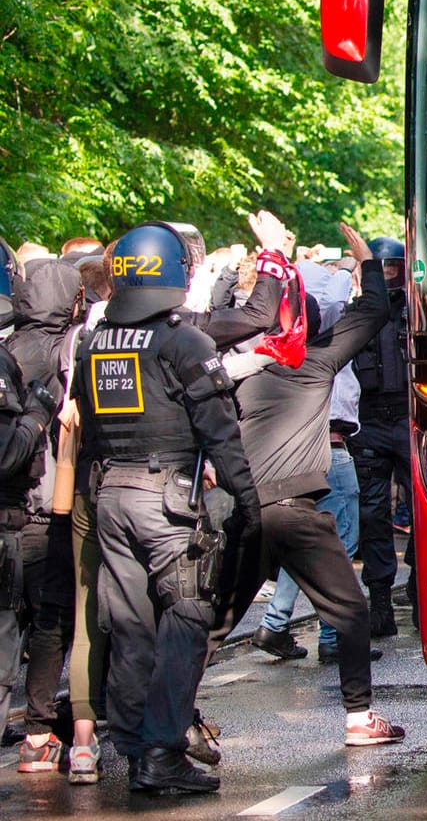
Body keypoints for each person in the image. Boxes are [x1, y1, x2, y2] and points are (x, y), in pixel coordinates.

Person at [83, 222, 263, 793]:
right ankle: (162, 752)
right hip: (165, 502)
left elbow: (86, 426)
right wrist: (249, 501)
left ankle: (135, 748)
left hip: (110, 494)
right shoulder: (183, 341)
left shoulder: (95, 342)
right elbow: (221, 430)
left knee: (130, 628)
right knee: (187, 618)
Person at [224, 224, 405, 748]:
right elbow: (372, 313)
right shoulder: (312, 364)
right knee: (349, 612)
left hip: (246, 508)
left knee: (212, 624)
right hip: (297, 509)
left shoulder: (234, 369)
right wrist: (367, 263)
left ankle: (168, 721)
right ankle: (358, 718)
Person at [253, 259, 365, 659]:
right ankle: (334, 635)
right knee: (339, 540)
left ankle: (275, 622)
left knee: (304, 544)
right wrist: (350, 265)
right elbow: (337, 298)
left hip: (295, 455)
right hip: (328, 450)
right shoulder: (322, 340)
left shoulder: (273, 347)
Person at [4, 255, 85, 775]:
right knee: (54, 625)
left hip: (13, 508)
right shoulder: (71, 347)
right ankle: (40, 735)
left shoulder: (8, 347)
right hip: (47, 506)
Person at [349, 236, 409, 639]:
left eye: (394, 269)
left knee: (425, 509)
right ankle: (381, 600)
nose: (387, 275)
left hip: (408, 418)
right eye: (381, 268)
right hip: (368, 419)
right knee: (373, 515)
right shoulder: (356, 313)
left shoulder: (419, 311)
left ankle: (423, 593)